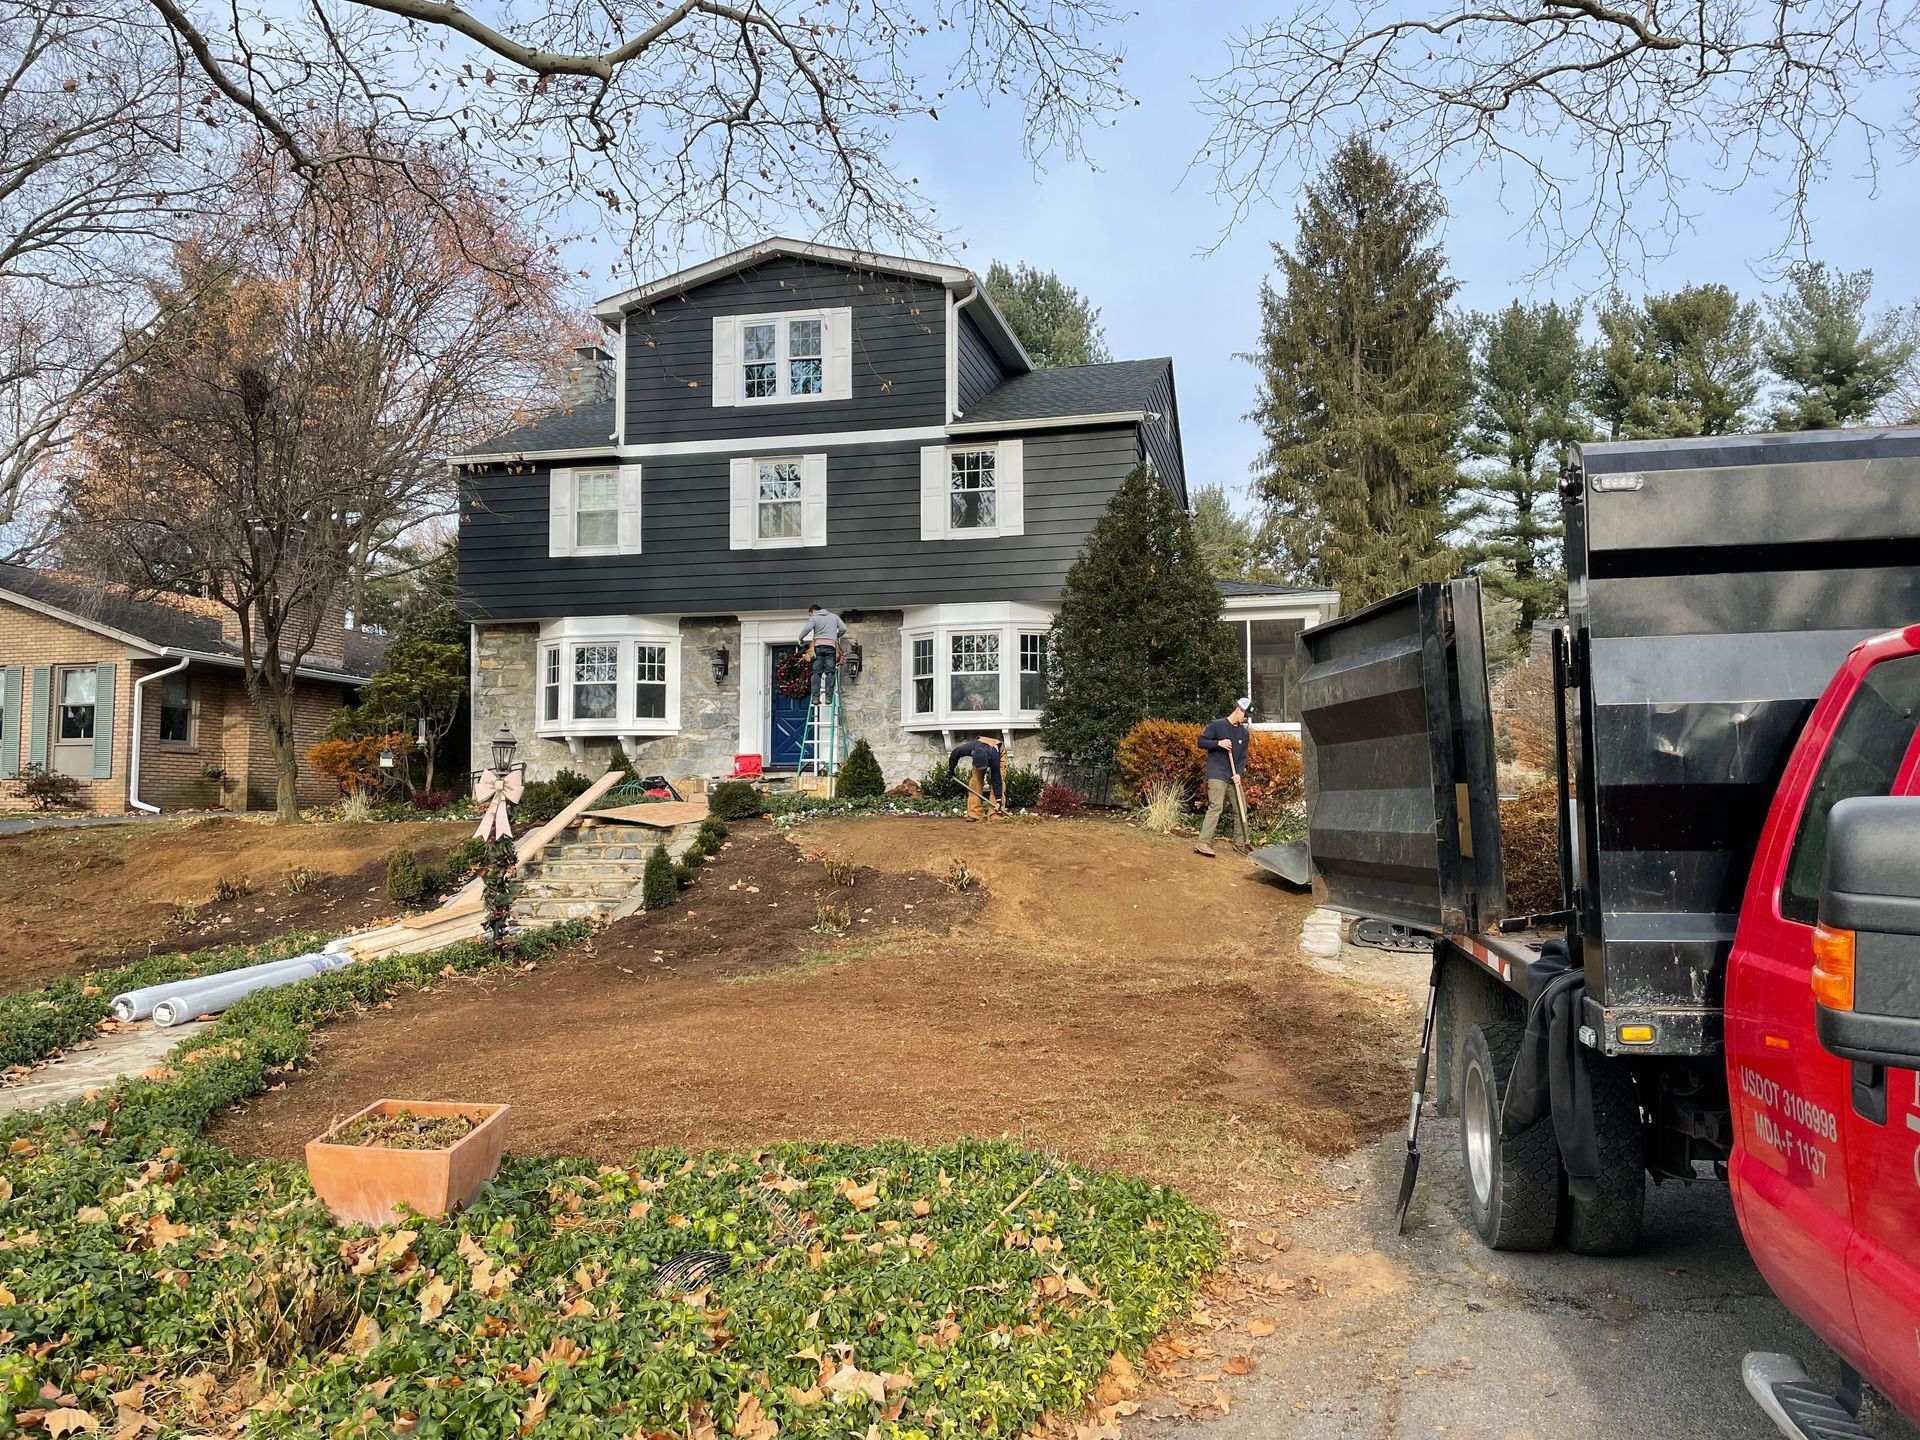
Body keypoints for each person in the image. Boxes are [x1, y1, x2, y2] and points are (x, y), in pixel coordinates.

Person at [1193, 697, 1252, 857]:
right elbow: (1201, 742)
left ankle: (1240, 844)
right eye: (1245, 715)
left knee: (1241, 808)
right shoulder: (1217, 725)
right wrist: (1218, 743)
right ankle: (1203, 842)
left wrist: (1239, 774)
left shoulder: (1244, 733)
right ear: (1238, 709)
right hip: (1217, 772)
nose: (1246, 719)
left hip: (1234, 776)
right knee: (1216, 806)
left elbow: (1243, 757)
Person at [947, 733, 1004, 822]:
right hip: (981, 748)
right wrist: (951, 770)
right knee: (975, 781)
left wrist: (998, 800)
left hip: (997, 751)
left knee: (999, 780)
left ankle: (995, 814)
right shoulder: (969, 749)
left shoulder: (994, 757)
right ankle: (974, 814)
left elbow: (996, 779)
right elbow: (955, 753)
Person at [798, 604, 848, 703]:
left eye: (810, 614)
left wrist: (800, 638)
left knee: (816, 672)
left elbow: (807, 629)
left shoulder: (815, 618)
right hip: (831, 647)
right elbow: (843, 628)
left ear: (813, 611)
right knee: (830, 672)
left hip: (818, 647)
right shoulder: (834, 617)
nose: (810, 616)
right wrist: (835, 636)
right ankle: (829, 698)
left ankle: (815, 698)